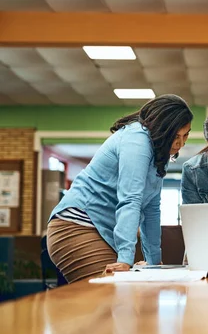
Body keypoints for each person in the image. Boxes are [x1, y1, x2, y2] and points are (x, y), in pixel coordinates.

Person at [46, 94, 194, 283]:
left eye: (186, 135)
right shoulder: (137, 139)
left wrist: (154, 263)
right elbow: (130, 199)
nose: (180, 143)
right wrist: (125, 259)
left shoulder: (160, 152)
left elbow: (152, 208)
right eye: (175, 136)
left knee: (133, 294)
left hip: (101, 229)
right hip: (76, 224)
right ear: (162, 128)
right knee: (115, 291)